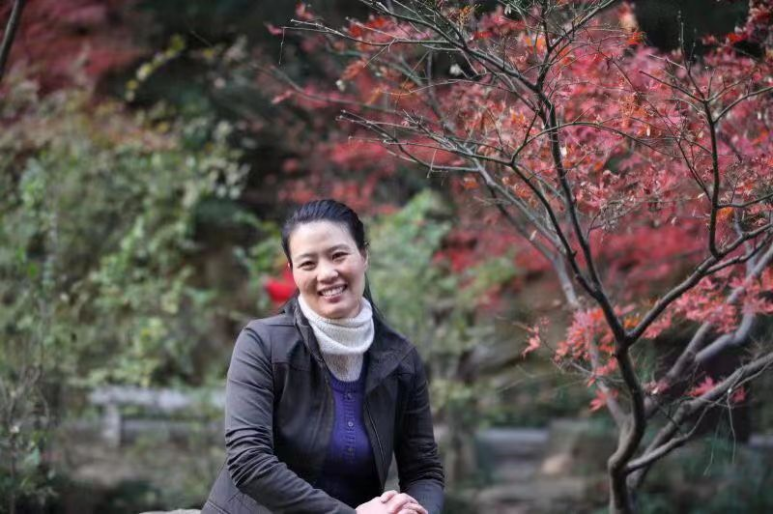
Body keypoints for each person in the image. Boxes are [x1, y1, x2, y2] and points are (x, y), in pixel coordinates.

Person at [202, 200, 445, 514]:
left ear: (364, 256)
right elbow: (249, 461)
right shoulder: (262, 344)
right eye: (308, 263)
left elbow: (423, 470)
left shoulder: (400, 359)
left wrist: (415, 511)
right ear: (293, 272)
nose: (327, 273)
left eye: (338, 255)